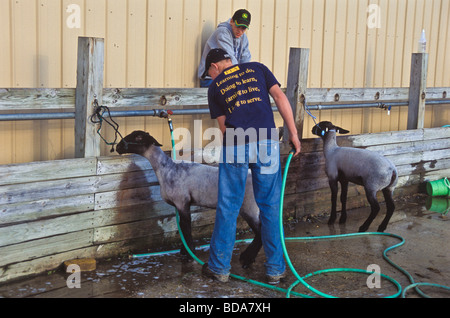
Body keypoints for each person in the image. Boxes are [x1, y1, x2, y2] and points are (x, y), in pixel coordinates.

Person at [201, 48, 301, 284]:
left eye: (210, 73)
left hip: (236, 141)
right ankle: (275, 269)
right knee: (269, 206)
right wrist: (293, 134)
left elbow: (224, 129)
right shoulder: (258, 68)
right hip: (267, 139)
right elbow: (280, 98)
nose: (212, 77)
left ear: (215, 67)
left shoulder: (215, 87)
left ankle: (219, 268)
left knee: (228, 206)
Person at [198, 9, 252, 87]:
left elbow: (245, 59)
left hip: (227, 77)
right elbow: (230, 60)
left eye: (243, 28)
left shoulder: (243, 37)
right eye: (238, 26)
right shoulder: (223, 32)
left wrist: (247, 76)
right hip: (210, 78)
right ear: (231, 22)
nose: (240, 31)